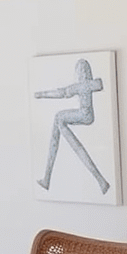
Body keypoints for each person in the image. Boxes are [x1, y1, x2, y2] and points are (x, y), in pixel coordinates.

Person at [35, 58, 110, 194]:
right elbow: (100, 84)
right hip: (86, 115)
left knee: (58, 118)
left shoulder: (82, 85)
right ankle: (47, 178)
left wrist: (42, 94)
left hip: (84, 116)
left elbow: (62, 93)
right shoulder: (94, 83)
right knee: (59, 122)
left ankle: (47, 177)